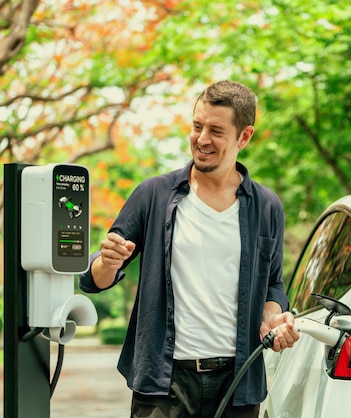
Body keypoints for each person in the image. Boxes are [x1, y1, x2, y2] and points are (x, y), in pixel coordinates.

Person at [79, 80, 300, 418]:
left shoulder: (267, 207)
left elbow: (273, 284)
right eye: (197, 126)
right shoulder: (154, 194)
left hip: (238, 382)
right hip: (165, 385)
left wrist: (272, 315)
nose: (202, 139)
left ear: (244, 137)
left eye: (216, 130)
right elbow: (94, 279)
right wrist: (108, 262)